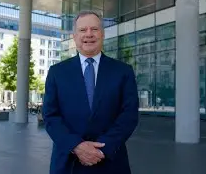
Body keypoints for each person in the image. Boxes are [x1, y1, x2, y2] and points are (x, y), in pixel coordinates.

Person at [42, 10, 139, 174]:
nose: (89, 34)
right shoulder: (57, 72)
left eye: (94, 29)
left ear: (102, 34)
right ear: (74, 36)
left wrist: (102, 149)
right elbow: (50, 116)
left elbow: (129, 115)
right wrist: (76, 146)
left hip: (111, 161)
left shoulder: (123, 71)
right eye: (82, 30)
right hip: (68, 164)